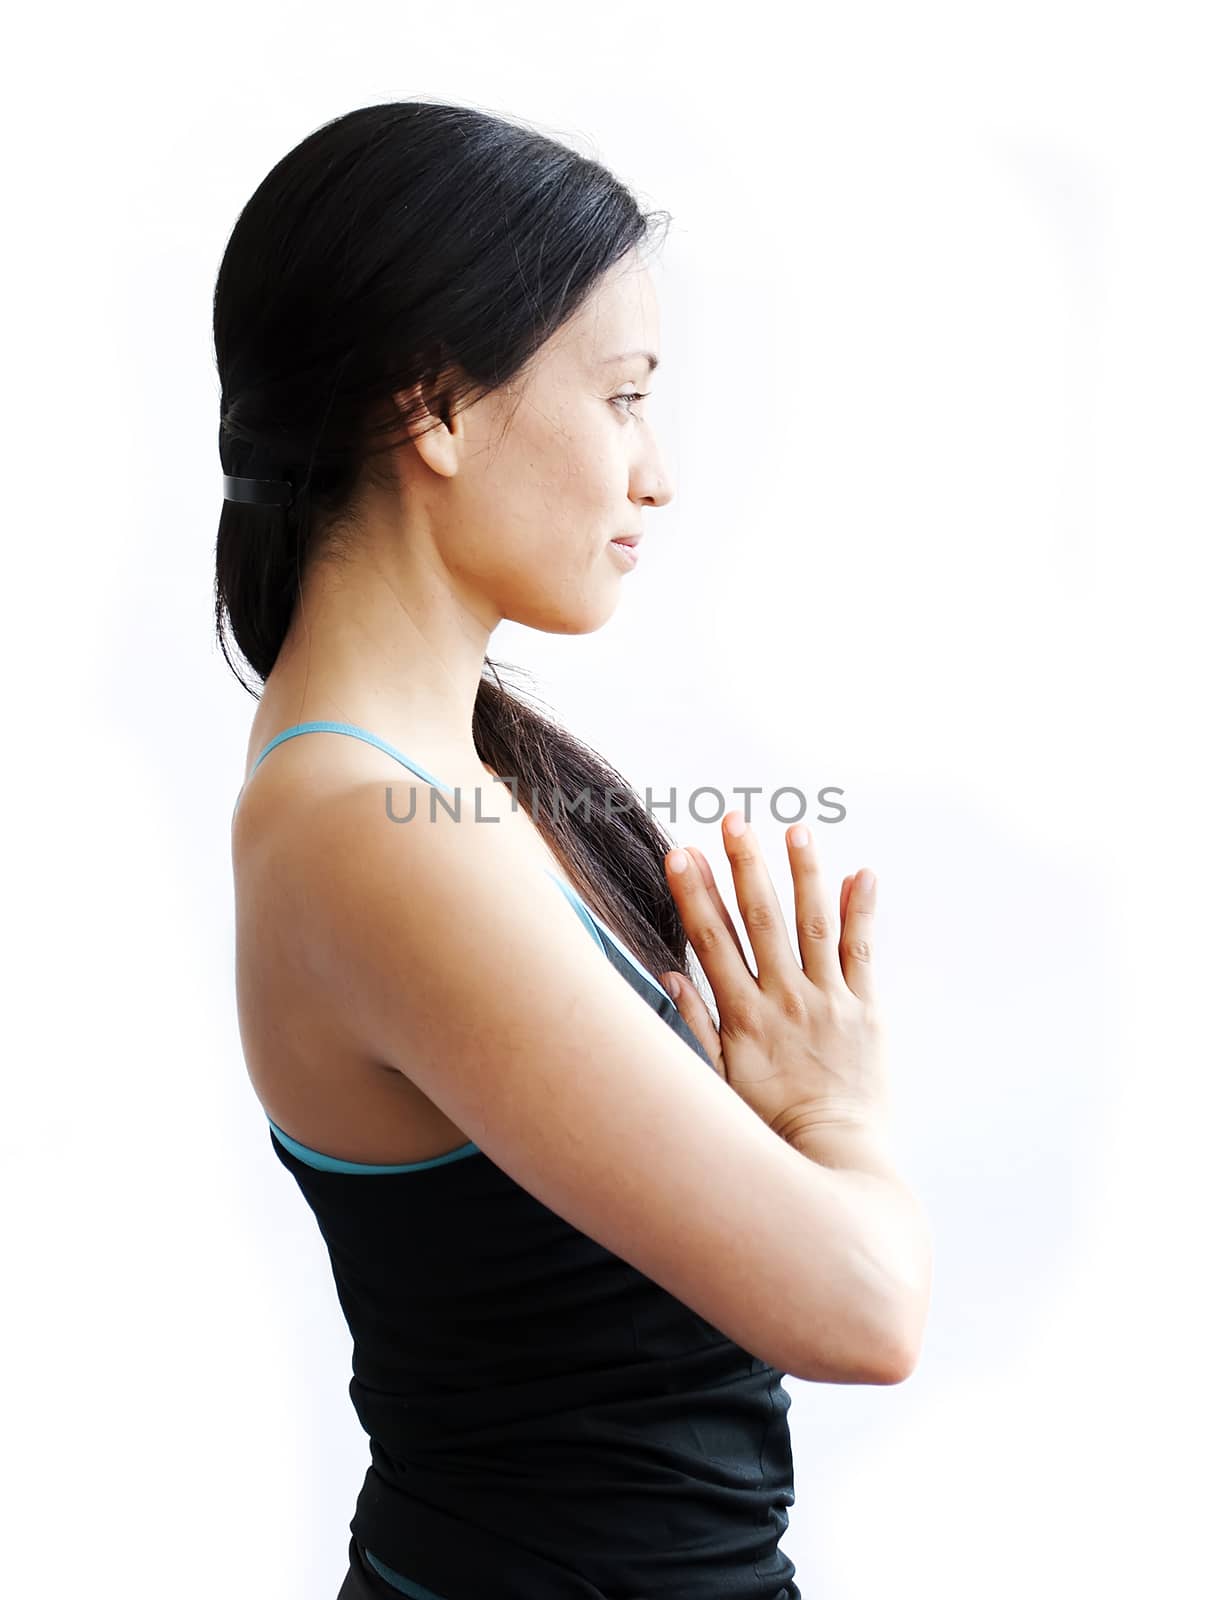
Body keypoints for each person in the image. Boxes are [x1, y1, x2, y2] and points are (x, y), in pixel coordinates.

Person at [218, 99, 932, 1600]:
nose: (654, 473)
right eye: (622, 397)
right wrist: (838, 1115)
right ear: (438, 411)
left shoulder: (449, 781)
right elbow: (864, 1311)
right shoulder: (373, 835)